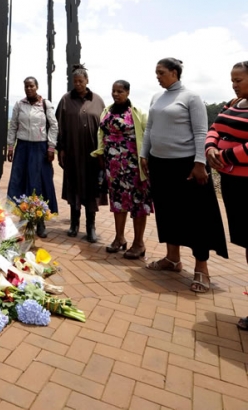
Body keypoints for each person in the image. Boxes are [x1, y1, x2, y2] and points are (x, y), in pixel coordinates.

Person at [140, 57, 227, 293]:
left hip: (186, 166)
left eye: (161, 72)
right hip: (160, 164)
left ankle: (201, 269)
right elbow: (149, 129)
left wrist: (200, 163)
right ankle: (172, 259)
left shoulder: (191, 97)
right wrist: (144, 154)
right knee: (168, 212)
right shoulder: (156, 97)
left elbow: (201, 131)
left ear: (174, 73)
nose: (157, 76)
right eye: (156, 72)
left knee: (196, 216)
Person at [206, 61, 248, 329]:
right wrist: (210, 148)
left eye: (239, 80)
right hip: (234, 187)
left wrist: (223, 155)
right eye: (232, 80)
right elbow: (214, 128)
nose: (234, 84)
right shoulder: (233, 103)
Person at [91, 80, 152, 258]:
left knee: (138, 202)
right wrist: (101, 153)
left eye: (120, 91)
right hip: (114, 166)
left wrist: (146, 157)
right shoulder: (107, 111)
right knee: (118, 201)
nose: (116, 94)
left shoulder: (136, 112)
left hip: (134, 165)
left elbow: (148, 135)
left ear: (128, 92)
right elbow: (102, 134)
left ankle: (139, 243)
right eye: (114, 91)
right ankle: (119, 239)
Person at [56, 65, 105, 242]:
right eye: (75, 81)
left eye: (81, 81)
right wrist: (60, 149)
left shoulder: (98, 101)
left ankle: (90, 227)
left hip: (92, 155)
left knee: (92, 189)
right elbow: (58, 127)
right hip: (72, 153)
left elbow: (104, 128)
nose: (78, 84)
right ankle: (74, 224)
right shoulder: (65, 100)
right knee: (73, 186)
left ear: (87, 81)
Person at [7, 76, 58, 238]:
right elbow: (13, 124)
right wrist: (10, 145)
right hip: (22, 147)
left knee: (39, 184)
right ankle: (26, 220)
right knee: (21, 182)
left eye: (31, 86)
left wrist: (51, 147)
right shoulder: (19, 104)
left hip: (40, 149)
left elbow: (54, 126)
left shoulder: (45, 104)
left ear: (37, 87)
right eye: (26, 86)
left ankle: (41, 221)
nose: (29, 89)